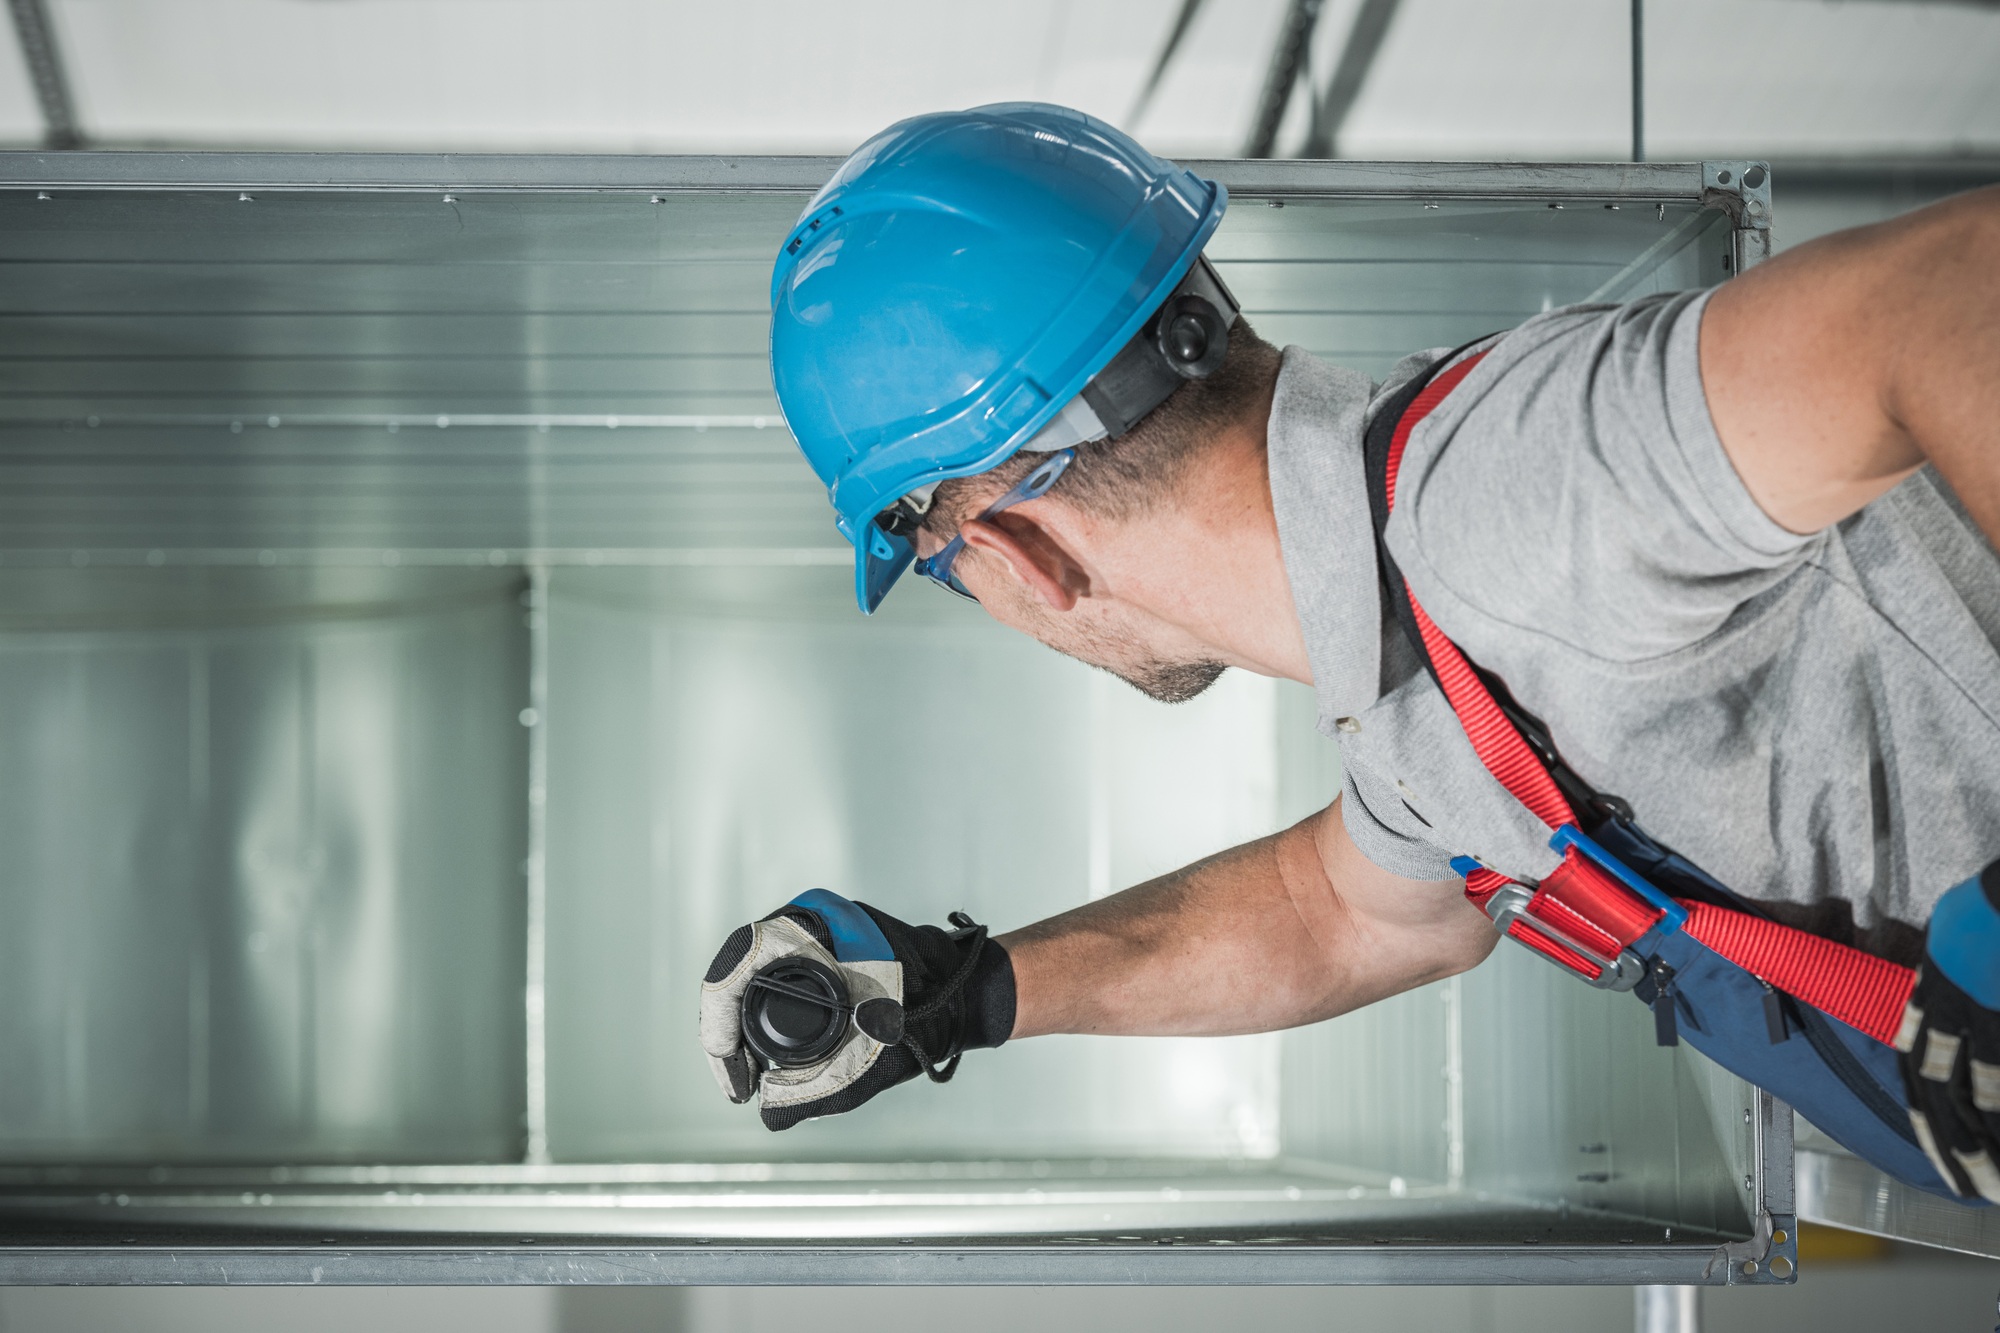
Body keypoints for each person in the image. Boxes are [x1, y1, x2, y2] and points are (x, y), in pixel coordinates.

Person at [698, 102, 2000, 1202]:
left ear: (1021, 552)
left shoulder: (1495, 493)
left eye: (939, 569)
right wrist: (960, 989)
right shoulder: (1421, 685)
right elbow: (1335, 916)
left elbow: (1959, 290)